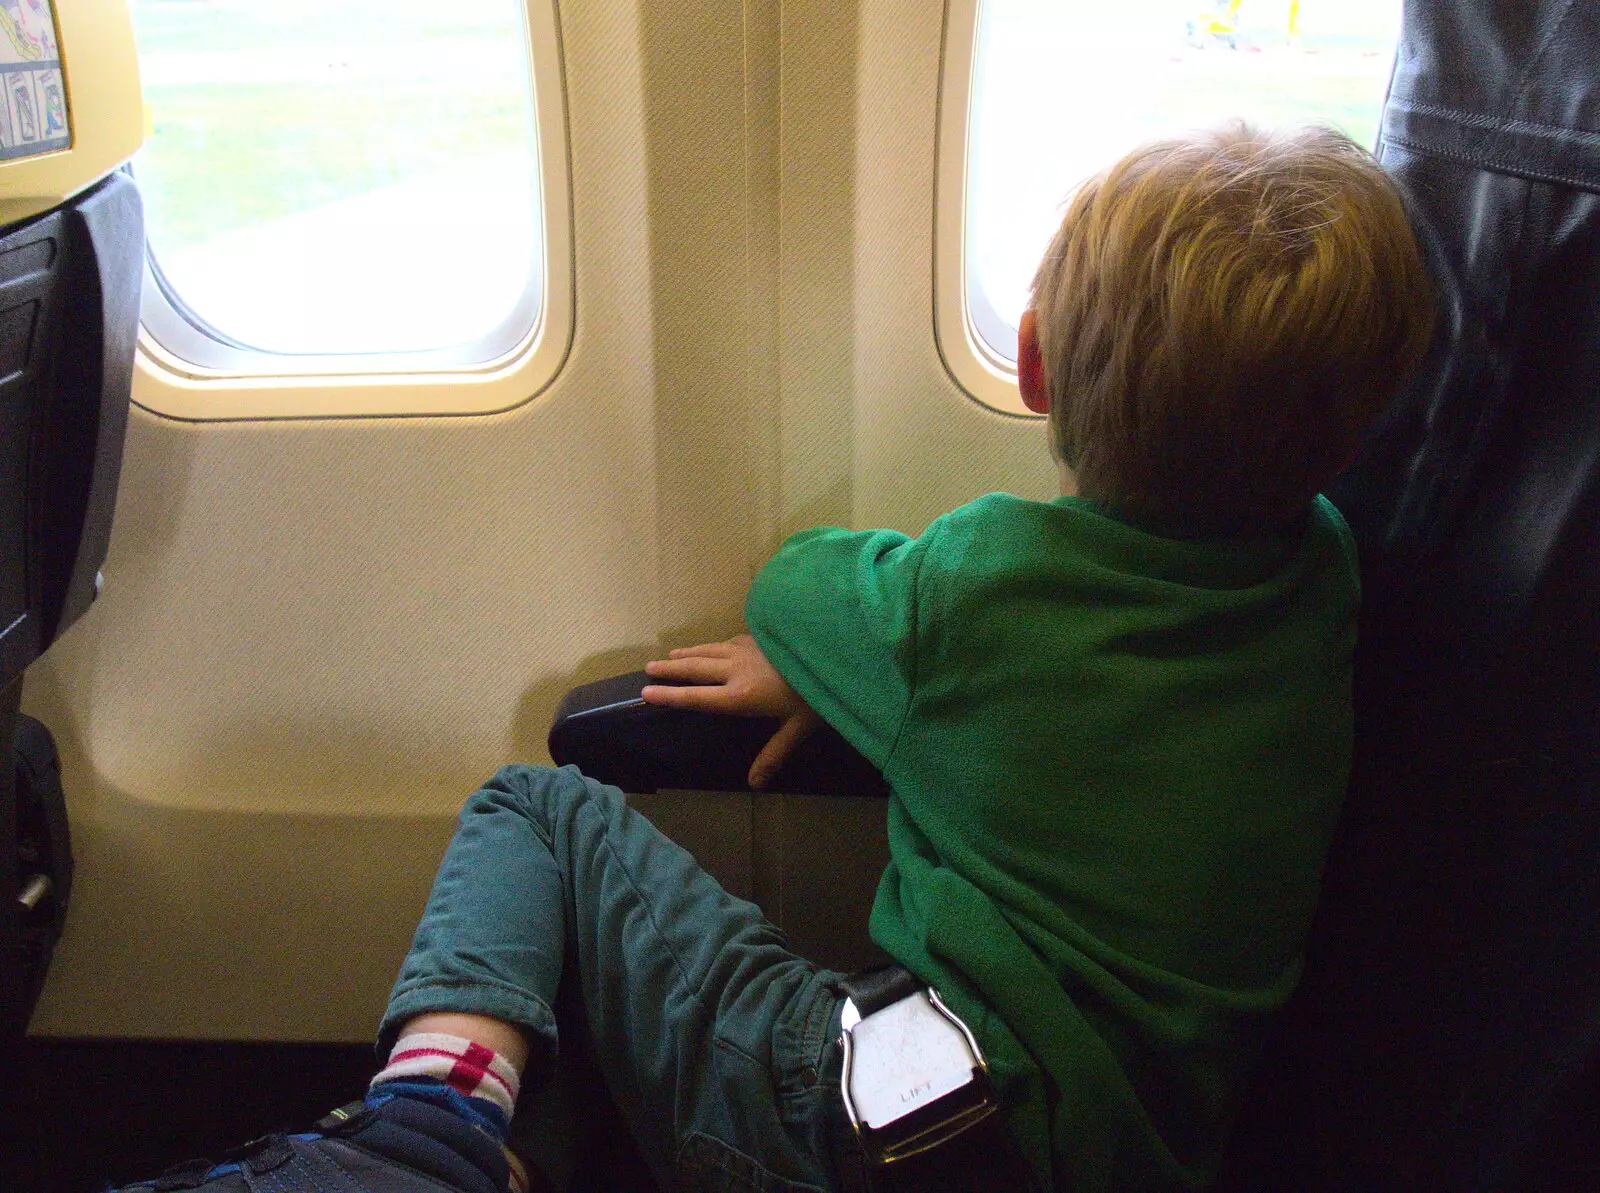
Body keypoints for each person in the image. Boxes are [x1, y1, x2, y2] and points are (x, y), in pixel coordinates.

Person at [115, 123, 1434, 1193]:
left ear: (1031, 364)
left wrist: (830, 662)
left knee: (540, 813)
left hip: (885, 1134)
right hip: (1137, 1149)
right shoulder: (1322, 580)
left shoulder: (975, 591)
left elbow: (796, 586)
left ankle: (428, 1139)